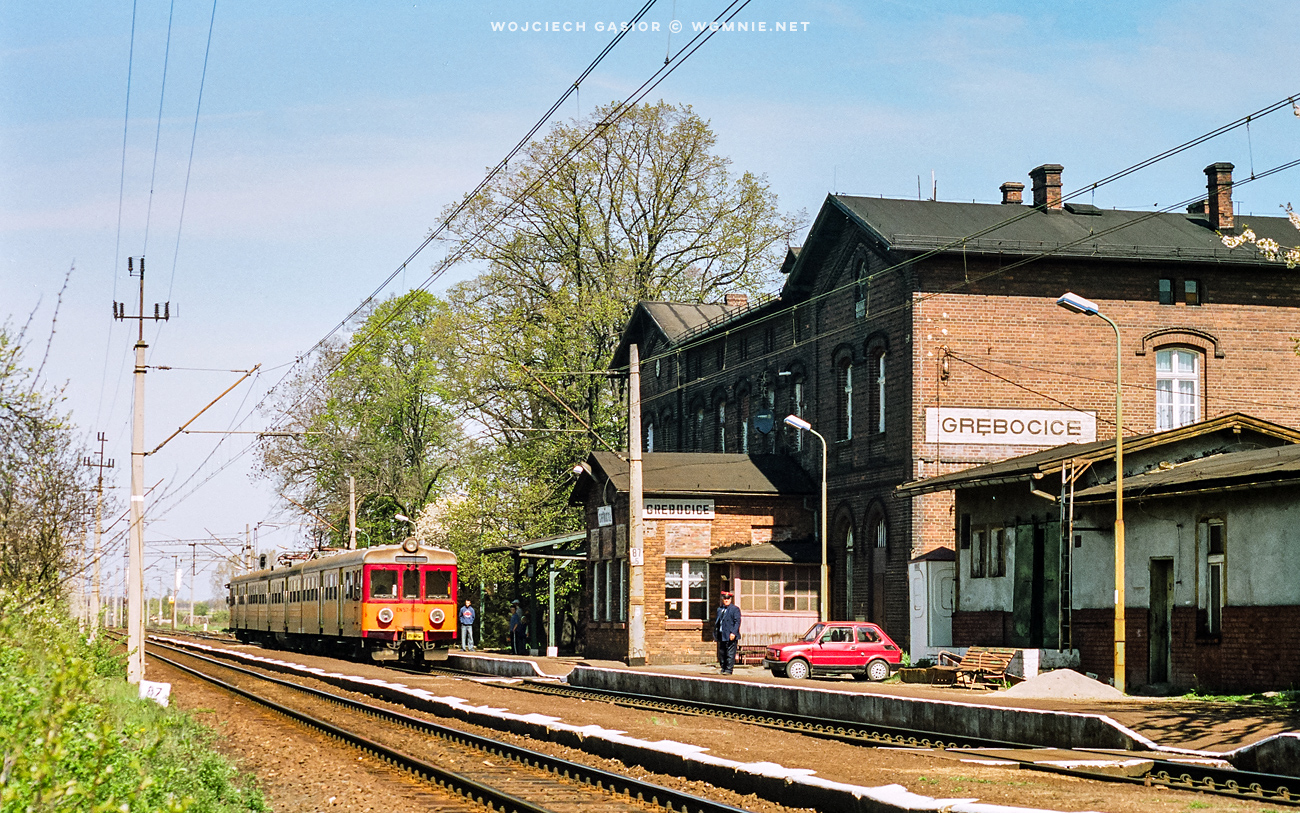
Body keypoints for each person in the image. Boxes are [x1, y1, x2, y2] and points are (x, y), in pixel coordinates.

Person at [713, 590, 742, 674]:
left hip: (730, 634)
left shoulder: (734, 609)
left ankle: (728, 670)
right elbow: (718, 622)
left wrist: (733, 632)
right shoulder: (720, 609)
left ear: (730, 600)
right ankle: (723, 668)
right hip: (722, 634)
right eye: (725, 598)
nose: (726, 600)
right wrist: (716, 633)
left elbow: (737, 622)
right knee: (722, 653)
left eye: (728, 599)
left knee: (730, 653)